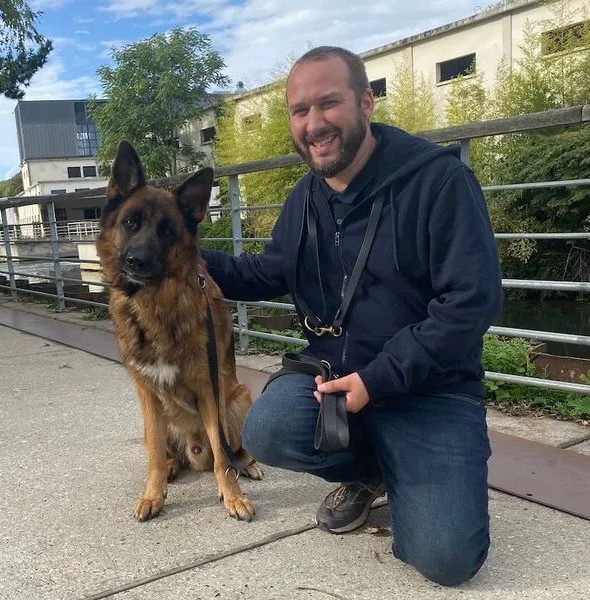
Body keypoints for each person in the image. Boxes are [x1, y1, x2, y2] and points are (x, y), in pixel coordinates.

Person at [200, 45, 502, 587]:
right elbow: (268, 270)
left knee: (446, 560)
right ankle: (372, 472)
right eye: (299, 111)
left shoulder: (438, 182)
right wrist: (178, 253)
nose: (314, 124)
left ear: (365, 103)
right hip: (333, 383)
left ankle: (411, 470)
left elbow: (470, 303)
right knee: (266, 429)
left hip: (429, 389)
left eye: (329, 104)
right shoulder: (304, 199)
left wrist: (378, 379)